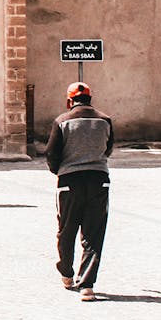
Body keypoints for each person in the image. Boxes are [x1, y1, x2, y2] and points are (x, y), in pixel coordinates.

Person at [46, 82, 114, 302]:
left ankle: (66, 273)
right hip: (98, 180)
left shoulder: (61, 121)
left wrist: (60, 170)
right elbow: (108, 148)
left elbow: (51, 154)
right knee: (94, 234)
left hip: (69, 181)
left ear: (69, 101)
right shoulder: (105, 120)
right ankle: (87, 285)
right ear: (91, 99)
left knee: (66, 229)